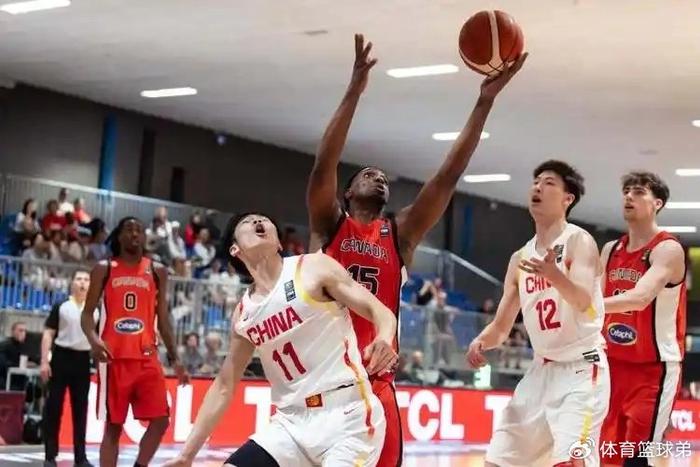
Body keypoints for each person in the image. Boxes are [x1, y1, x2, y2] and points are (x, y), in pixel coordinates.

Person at [306, 33, 526, 466]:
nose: (379, 178)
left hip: (375, 381)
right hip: (322, 380)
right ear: (347, 192)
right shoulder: (329, 224)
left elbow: (448, 175)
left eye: (383, 177)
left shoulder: (399, 234)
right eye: (368, 174)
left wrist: (484, 102)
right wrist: (354, 91)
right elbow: (323, 164)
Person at [163, 212, 398, 467]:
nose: (257, 222)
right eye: (248, 222)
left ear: (278, 243)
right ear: (235, 249)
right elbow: (223, 386)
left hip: (348, 416)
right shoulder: (243, 314)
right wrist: (186, 455)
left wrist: (384, 337)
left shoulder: (312, 268)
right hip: (290, 424)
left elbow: (379, 311)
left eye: (263, 219)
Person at [466, 160, 610, 467]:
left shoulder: (579, 241)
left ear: (567, 198)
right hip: (540, 371)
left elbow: (583, 300)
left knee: (572, 462)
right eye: (536, 182)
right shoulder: (520, 258)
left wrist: (554, 275)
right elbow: (501, 327)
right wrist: (481, 341)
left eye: (549, 183)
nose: (538, 187)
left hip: (582, 369)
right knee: (498, 462)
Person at [80, 217, 188, 467]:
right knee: (113, 427)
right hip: (113, 358)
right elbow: (86, 315)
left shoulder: (157, 271)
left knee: (161, 420)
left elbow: (163, 320)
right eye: (129, 230)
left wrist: (175, 358)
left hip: (147, 357)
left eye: (139, 230)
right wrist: (94, 340)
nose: (135, 234)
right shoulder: (104, 268)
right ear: (119, 236)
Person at [599, 172, 686, 467]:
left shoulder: (667, 249)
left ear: (657, 203)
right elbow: (593, 298)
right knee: (606, 457)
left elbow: (640, 297)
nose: (628, 196)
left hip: (653, 370)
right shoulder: (610, 250)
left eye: (638, 192)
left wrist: (584, 306)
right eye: (626, 191)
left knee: (637, 458)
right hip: (611, 365)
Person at [41, 269, 97, 467]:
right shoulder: (61, 305)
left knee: (81, 410)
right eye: (79, 279)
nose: (82, 283)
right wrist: (44, 361)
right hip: (61, 357)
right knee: (54, 408)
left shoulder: (95, 309)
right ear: (72, 283)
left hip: (83, 360)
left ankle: (80, 458)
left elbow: (98, 338)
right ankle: (50, 456)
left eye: (86, 279)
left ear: (91, 284)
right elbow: (48, 333)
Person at [0, 321, 39, 390]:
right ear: (13, 332)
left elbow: (35, 359)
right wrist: (22, 364)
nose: (23, 333)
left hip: (21, 381)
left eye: (25, 331)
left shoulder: (26, 346)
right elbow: (4, 364)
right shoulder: (5, 346)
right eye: (20, 330)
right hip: (6, 380)